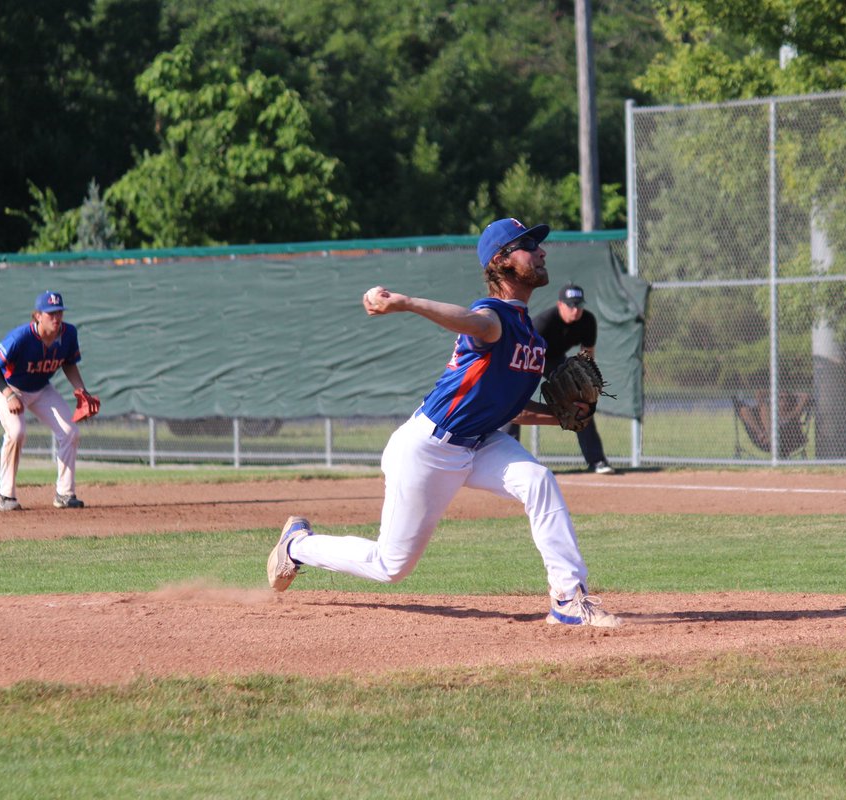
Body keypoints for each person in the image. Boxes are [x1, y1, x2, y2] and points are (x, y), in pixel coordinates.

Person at [266, 218, 622, 627]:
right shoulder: (492, 317)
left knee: (538, 481)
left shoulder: (533, 338)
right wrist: (405, 302)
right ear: (502, 261)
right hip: (428, 447)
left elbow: (511, 408)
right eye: (528, 246)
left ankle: (567, 599)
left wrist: (559, 416)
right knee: (390, 566)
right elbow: (469, 321)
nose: (541, 252)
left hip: (481, 441)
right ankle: (298, 546)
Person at [0, 290, 93, 511]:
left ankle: (64, 494)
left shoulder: (69, 334)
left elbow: (69, 362)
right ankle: (6, 496)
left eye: (59, 312)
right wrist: (9, 394)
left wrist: (81, 390)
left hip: (41, 388)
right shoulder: (21, 337)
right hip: (10, 388)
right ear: (37, 315)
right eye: (50, 313)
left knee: (70, 432)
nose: (56, 318)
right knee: (16, 432)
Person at [508, 283, 615, 474]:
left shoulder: (587, 321)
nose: (575, 309)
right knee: (515, 403)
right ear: (560, 305)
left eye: (578, 305)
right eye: (570, 305)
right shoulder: (545, 322)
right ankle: (508, 459)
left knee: (581, 402)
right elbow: (524, 350)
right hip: (528, 358)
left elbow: (587, 353)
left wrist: (587, 379)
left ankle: (597, 460)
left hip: (555, 360)